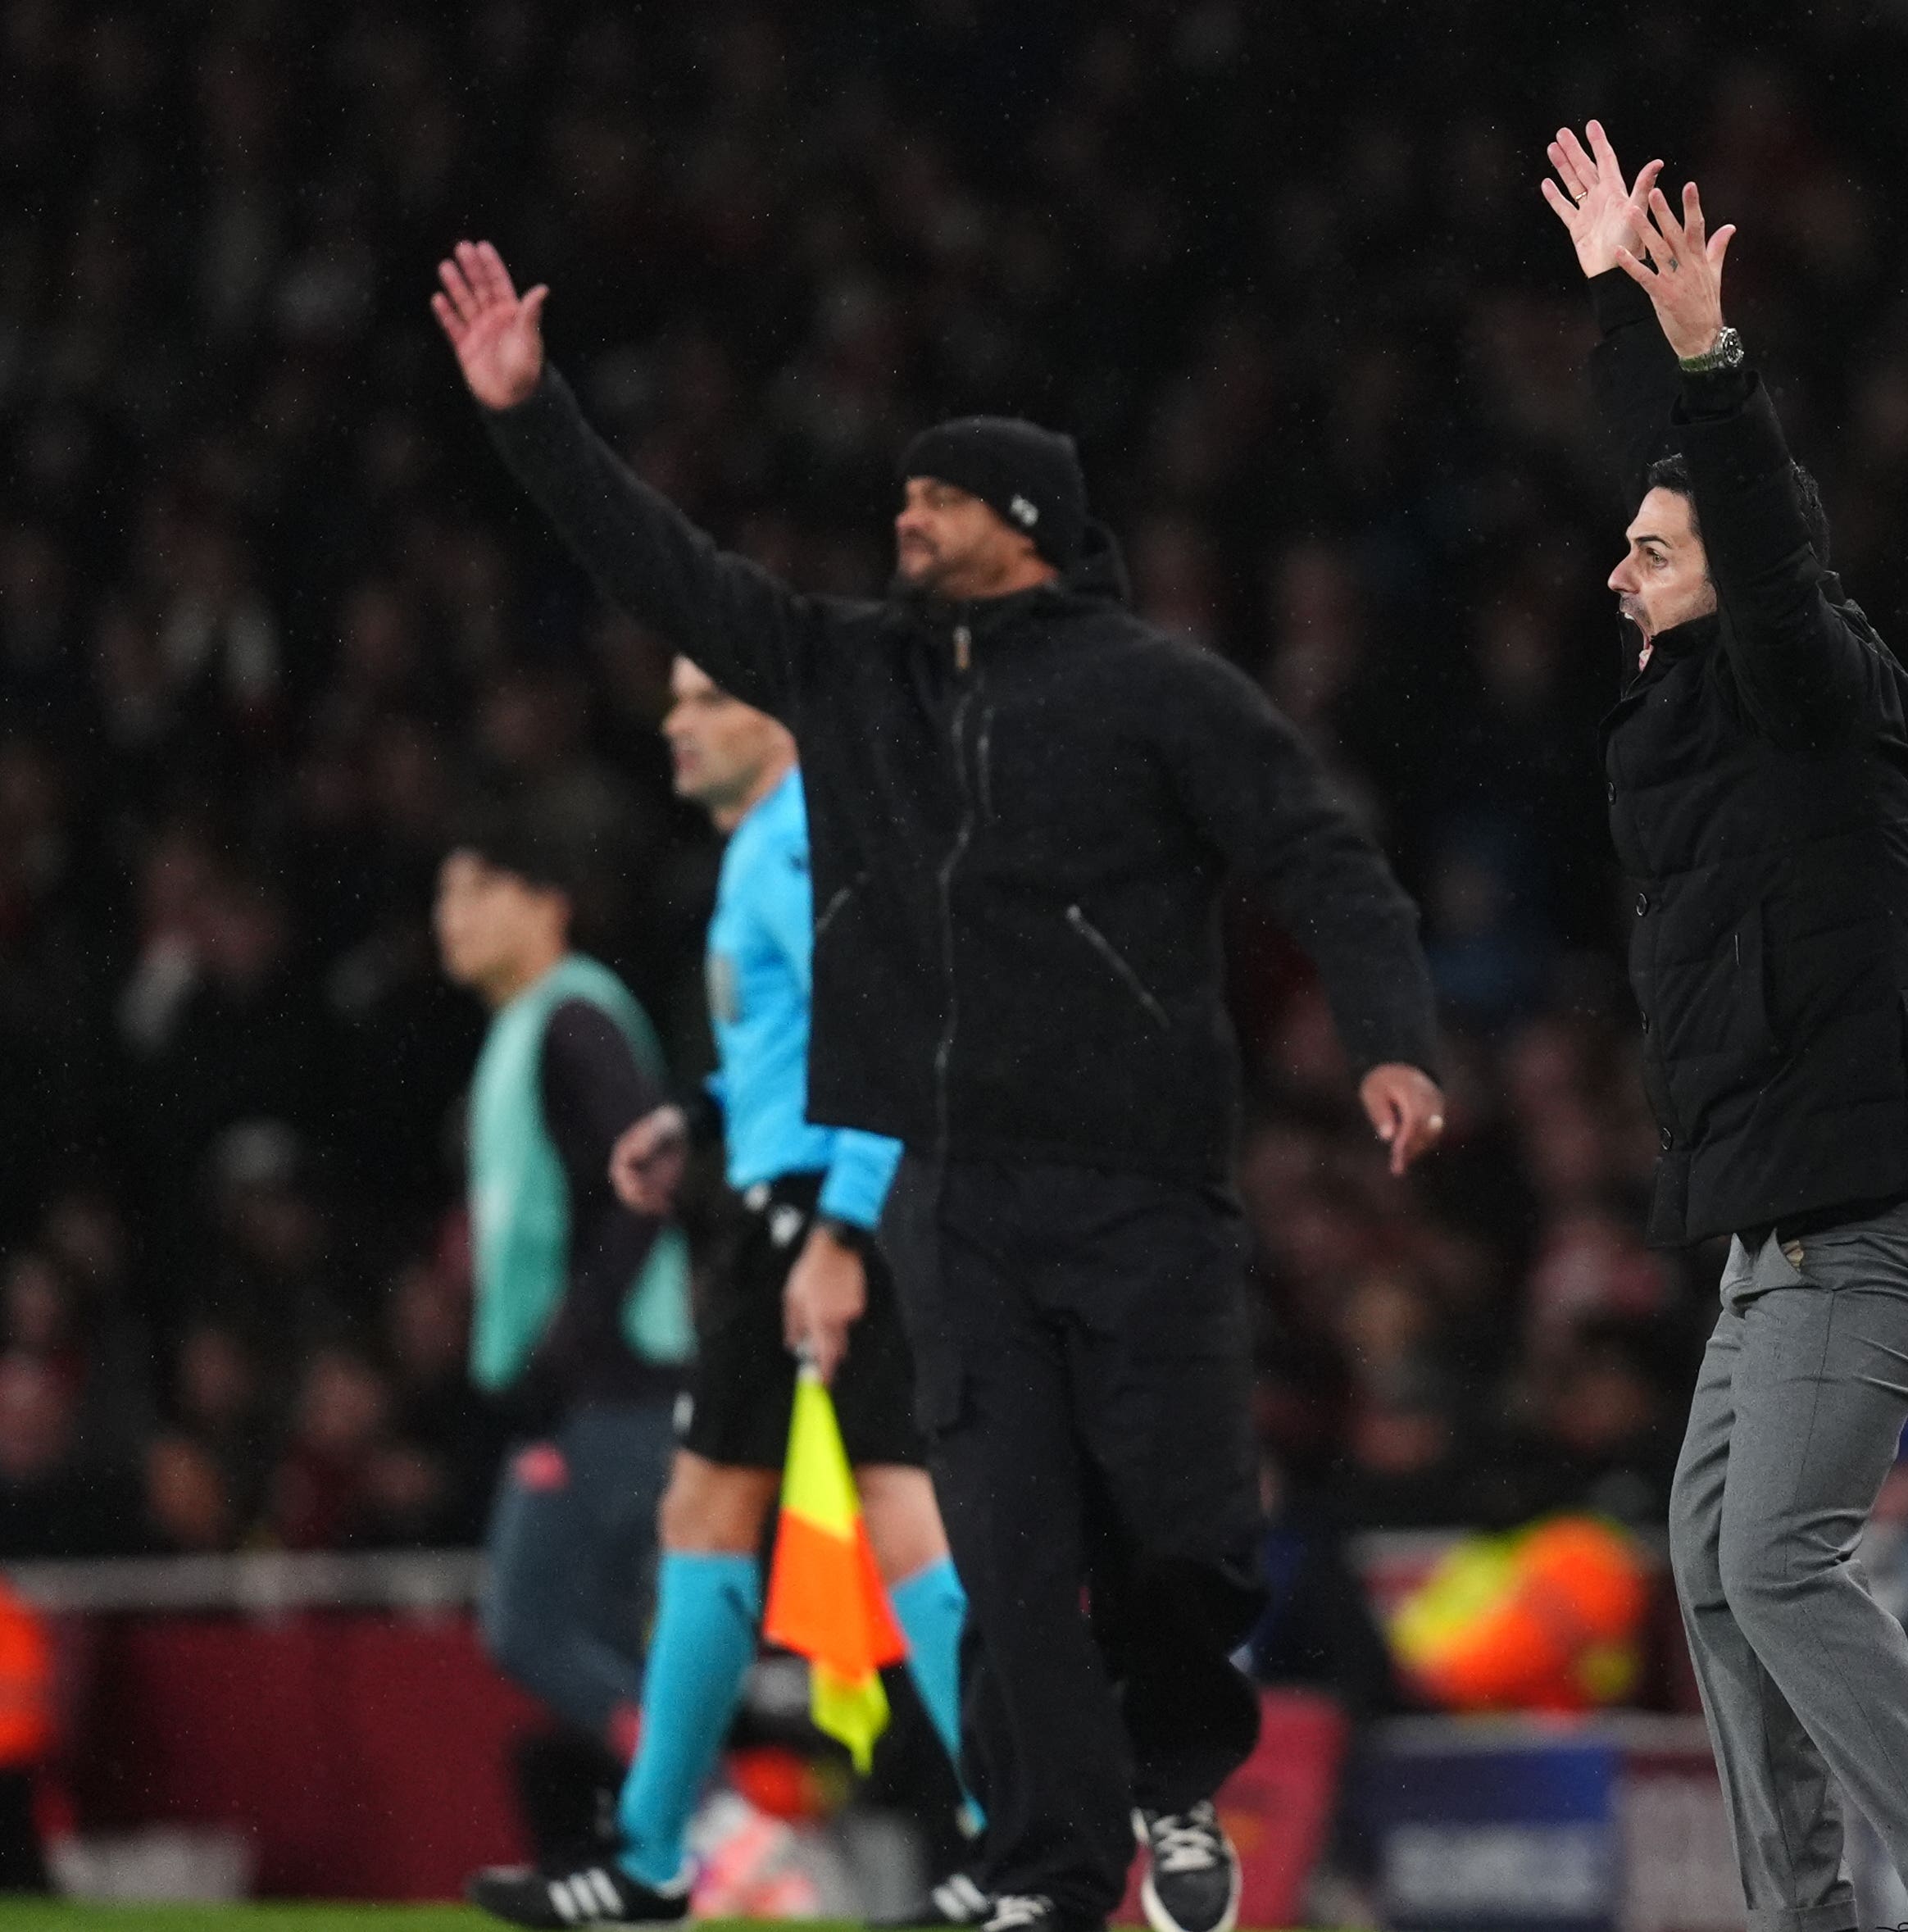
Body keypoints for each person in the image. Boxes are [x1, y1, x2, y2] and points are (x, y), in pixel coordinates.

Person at [434, 241, 1447, 1932]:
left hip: (1144, 1180)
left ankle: (1174, 1772)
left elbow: (1320, 853)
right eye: (899, 496)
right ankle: (1049, 1866)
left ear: (1026, 525)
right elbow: (670, 573)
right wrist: (536, 420)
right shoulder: (857, 676)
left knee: (1183, 1529)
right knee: (999, 1546)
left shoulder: (1158, 694)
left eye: (936, 500)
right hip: (953, 1191)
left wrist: (1393, 1032)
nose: (901, 519)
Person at [1542, 124, 1908, 1932]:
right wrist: (1625, 325)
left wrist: (1706, 361)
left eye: (1647, 556)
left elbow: (1752, 539)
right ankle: (1805, 1912)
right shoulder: (1685, 729)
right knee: (1708, 1564)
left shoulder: (1809, 689)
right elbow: (1692, 504)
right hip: (1773, 1235)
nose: (1621, 571)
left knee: (1780, 1556)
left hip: (1874, 1221)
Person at [470, 660, 970, 1926]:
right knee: (736, 1515)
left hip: (820, 1214)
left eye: (702, 699)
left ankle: (1019, 1833)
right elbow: (793, 1047)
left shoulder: (810, 834)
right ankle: (654, 1854)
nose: (672, 724)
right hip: (781, 1205)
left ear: (782, 712)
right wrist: (691, 1123)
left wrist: (840, 1232)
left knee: (881, 1519)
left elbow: (890, 1034)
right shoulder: (766, 846)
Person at [434, 821, 693, 1859]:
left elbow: (646, 1186)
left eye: (478, 890)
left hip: (611, 1387)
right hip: (600, 1386)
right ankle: (662, 1859)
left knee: (533, 1627)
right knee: (599, 1636)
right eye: (445, 899)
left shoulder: (573, 1017)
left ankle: (712, 1809)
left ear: (548, 901)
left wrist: (569, 1340)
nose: (453, 919)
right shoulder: (531, 1022)